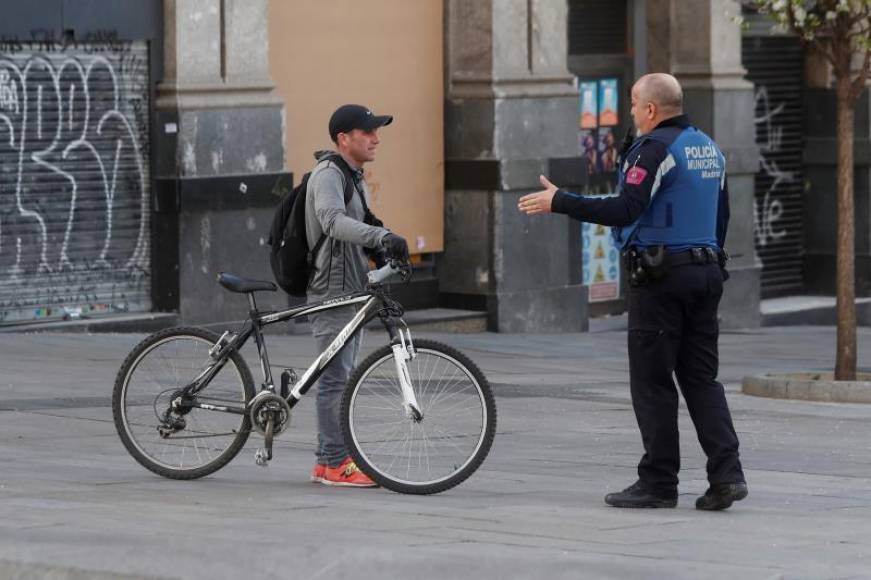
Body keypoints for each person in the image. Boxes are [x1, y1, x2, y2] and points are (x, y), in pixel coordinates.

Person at [518, 73, 747, 511]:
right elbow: (723, 214)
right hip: (706, 274)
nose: (631, 112)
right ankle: (727, 476)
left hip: (663, 279)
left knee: (653, 381)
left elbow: (627, 207)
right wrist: (708, 262)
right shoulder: (707, 147)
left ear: (651, 109)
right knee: (701, 379)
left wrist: (560, 201)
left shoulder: (655, 148)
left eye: (635, 103)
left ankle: (658, 483)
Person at [305, 104, 409, 487]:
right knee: (335, 379)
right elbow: (332, 221)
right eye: (367, 132)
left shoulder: (353, 176)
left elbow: (359, 226)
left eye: (377, 131)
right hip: (332, 288)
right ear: (343, 138)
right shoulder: (328, 175)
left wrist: (382, 249)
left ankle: (325, 461)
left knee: (341, 376)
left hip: (352, 285)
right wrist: (381, 236)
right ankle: (335, 463)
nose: (376, 138)